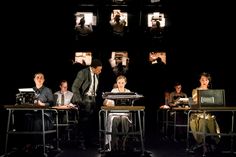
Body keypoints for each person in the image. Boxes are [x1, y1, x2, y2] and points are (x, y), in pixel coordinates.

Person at [71, 59, 102, 150]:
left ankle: (89, 141)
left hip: (93, 99)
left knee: (91, 122)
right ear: (93, 68)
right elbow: (74, 87)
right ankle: (81, 142)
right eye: (99, 69)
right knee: (83, 121)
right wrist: (79, 100)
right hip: (85, 99)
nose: (100, 71)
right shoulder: (83, 73)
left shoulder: (97, 74)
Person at [189, 72, 221, 152]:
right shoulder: (195, 90)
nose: (204, 81)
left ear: (209, 81)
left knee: (210, 120)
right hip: (198, 114)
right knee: (202, 122)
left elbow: (214, 104)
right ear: (199, 80)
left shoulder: (211, 92)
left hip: (208, 114)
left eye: (206, 80)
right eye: (202, 79)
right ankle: (202, 143)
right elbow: (195, 102)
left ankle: (211, 142)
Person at [103, 75, 132, 151]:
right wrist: (107, 103)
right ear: (117, 83)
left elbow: (131, 104)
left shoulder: (128, 92)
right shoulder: (114, 91)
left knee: (124, 120)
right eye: (119, 82)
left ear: (125, 83)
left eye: (122, 82)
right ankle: (114, 144)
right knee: (115, 120)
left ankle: (123, 143)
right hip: (114, 113)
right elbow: (106, 101)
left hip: (125, 113)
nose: (121, 84)